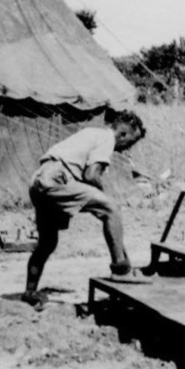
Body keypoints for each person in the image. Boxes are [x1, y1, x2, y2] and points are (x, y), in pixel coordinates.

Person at [23, 109, 149, 308]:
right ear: (122, 134)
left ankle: (30, 292)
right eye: (129, 143)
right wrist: (105, 200)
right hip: (57, 179)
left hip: (39, 180)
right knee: (112, 207)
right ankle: (121, 271)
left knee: (48, 243)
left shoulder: (92, 133)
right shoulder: (107, 139)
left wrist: (101, 205)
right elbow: (91, 175)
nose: (126, 150)